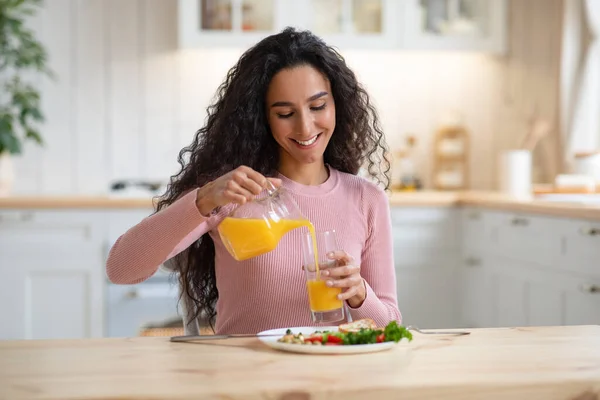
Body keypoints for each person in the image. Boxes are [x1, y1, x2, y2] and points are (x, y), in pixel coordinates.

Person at [106, 27, 401, 335]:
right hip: (242, 374)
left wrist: (360, 294)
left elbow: (391, 326)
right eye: (285, 113)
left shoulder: (367, 199)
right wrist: (203, 200)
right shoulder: (236, 192)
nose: (305, 127)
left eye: (317, 107)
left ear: (338, 104)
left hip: (330, 373)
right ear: (263, 118)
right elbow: (121, 269)